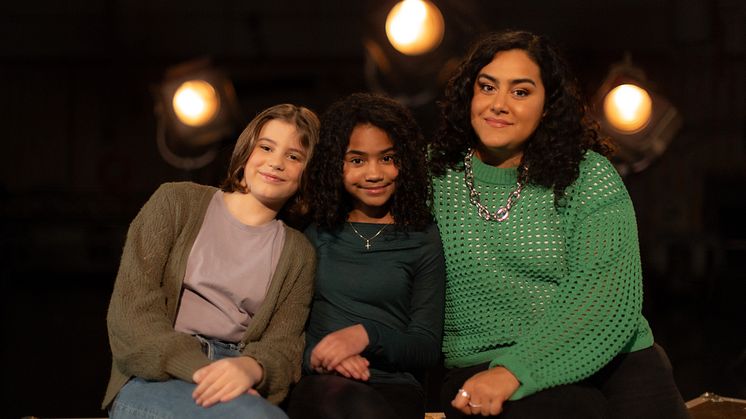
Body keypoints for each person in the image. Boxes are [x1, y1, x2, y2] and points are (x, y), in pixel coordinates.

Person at [428, 30, 690, 418]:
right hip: (484, 362)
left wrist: (516, 370)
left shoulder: (587, 174)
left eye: (520, 92)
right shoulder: (432, 172)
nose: (499, 104)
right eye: (487, 87)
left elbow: (604, 297)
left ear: (547, 106)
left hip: (608, 352)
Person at [102, 103, 320, 419]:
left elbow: (284, 347)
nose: (276, 163)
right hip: (154, 376)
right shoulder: (176, 202)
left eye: (294, 156)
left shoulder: (299, 252)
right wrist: (202, 371)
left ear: (307, 172)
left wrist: (250, 368)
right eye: (267, 147)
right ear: (247, 150)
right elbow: (131, 313)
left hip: (236, 375)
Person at [285, 93, 446, 419]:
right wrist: (322, 356)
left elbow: (426, 346)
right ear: (335, 165)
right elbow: (289, 333)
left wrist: (366, 335)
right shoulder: (315, 234)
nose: (374, 173)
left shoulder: (422, 236)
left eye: (387, 158)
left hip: (395, 388)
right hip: (322, 384)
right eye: (357, 160)